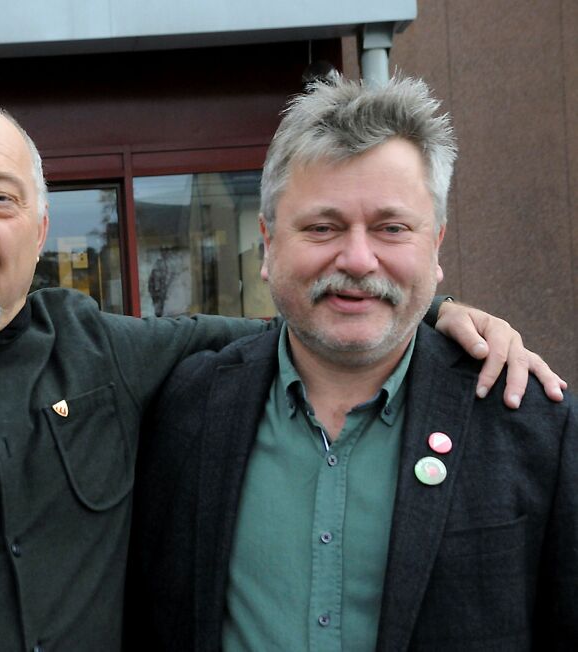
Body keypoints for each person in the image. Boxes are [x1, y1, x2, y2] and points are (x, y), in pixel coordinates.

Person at [0, 94, 564, 652]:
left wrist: (444, 312)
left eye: (0, 197)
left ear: (41, 228)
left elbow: (318, 309)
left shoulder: (120, 358)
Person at [125, 75, 576, 651]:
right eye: (322, 227)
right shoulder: (184, 408)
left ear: (435, 245)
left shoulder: (532, 423)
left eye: (392, 228)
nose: (359, 259)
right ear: (268, 244)